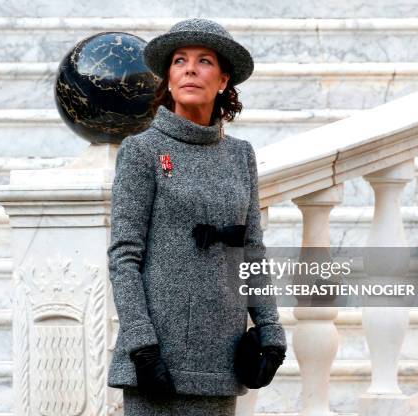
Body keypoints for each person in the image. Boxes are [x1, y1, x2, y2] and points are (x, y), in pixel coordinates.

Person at [106, 18, 287, 415]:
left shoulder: (241, 155)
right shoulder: (142, 151)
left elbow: (252, 251)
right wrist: (141, 345)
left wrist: (271, 329)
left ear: (223, 81)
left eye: (204, 60)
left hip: (221, 353)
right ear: (168, 79)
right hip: (156, 357)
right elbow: (124, 257)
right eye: (179, 61)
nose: (190, 69)